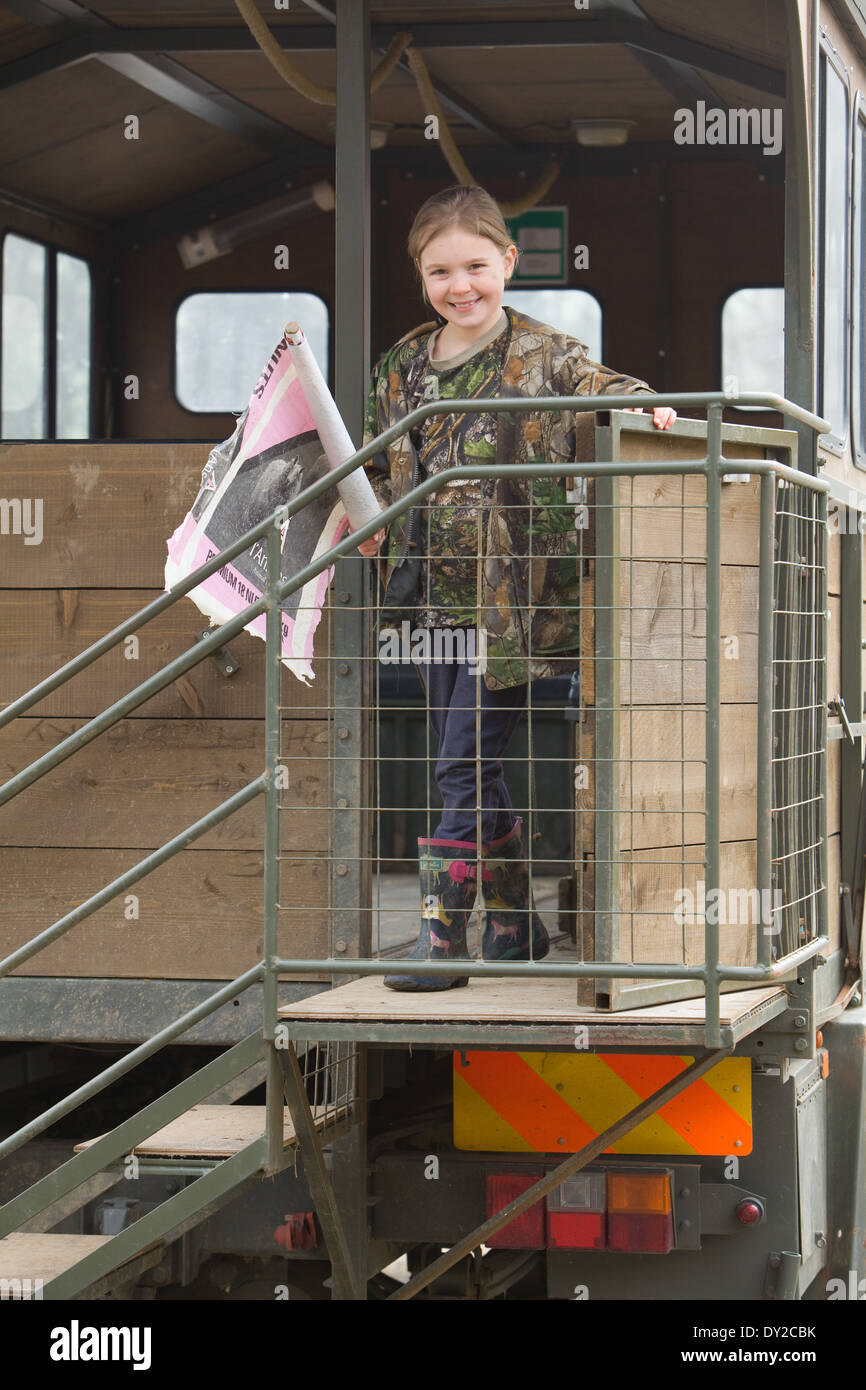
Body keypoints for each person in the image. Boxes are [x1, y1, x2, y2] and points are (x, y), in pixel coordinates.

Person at [353, 184, 676, 992]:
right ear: (421, 278)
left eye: (474, 266)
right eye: (439, 272)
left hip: (515, 605)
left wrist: (649, 408)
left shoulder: (546, 353)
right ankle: (512, 926)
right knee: (469, 759)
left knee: (460, 762)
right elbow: (370, 465)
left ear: (507, 261)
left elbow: (609, 388)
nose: (459, 286)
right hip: (428, 601)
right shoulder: (399, 367)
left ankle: (442, 939)